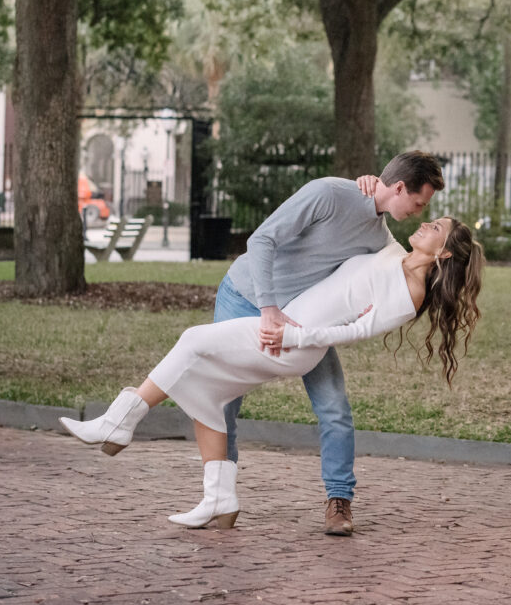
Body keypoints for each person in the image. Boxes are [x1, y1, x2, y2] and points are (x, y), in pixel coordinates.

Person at [59, 216, 483, 533]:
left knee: (192, 340)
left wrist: (297, 337)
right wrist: (368, 185)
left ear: (443, 253)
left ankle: (119, 422)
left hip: (292, 343)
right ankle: (219, 499)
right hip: (286, 328)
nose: (425, 223)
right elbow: (374, 213)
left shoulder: (410, 295)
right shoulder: (392, 251)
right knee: (210, 394)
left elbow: (355, 331)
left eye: (435, 228)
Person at [211, 150, 444, 536]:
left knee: (334, 405)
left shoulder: (380, 238)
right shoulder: (328, 193)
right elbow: (261, 239)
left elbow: (400, 271)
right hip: (245, 296)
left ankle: (339, 501)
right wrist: (268, 308)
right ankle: (219, 496)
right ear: (400, 187)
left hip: (304, 321)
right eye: (419, 202)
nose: (419, 212)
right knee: (224, 401)